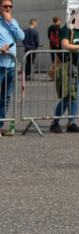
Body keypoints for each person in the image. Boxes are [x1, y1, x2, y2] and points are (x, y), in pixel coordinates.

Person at [49, 7, 79, 133]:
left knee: (76, 97)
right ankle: (55, 122)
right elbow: (64, 45)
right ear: (75, 16)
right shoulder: (67, 29)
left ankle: (71, 123)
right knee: (67, 96)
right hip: (68, 67)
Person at [0, 0, 24, 137]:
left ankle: (1, 124)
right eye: (5, 6)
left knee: (6, 97)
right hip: (0, 64)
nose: (8, 9)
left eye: (10, 6)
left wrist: (10, 22)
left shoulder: (12, 21)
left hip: (11, 65)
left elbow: (21, 36)